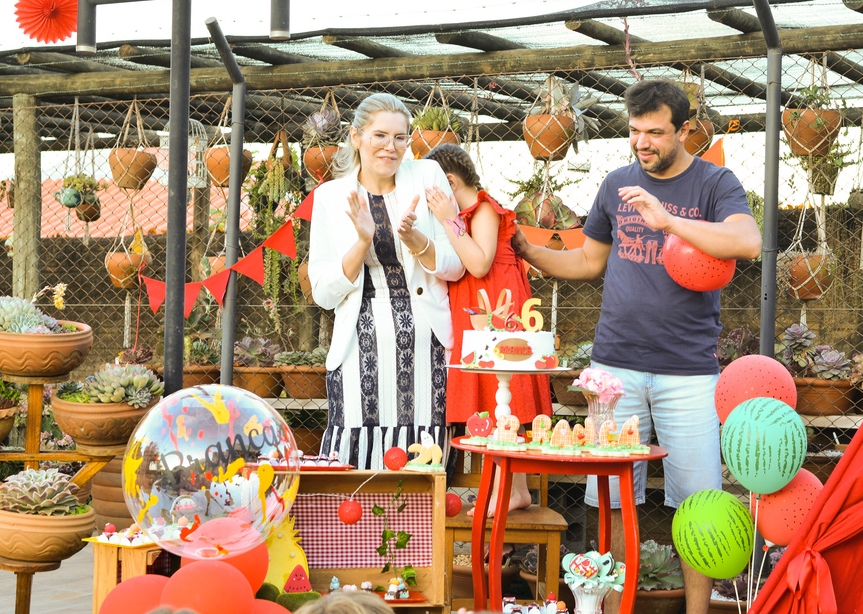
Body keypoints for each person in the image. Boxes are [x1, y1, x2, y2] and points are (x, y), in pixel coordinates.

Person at [511, 79, 760, 614]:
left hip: (688, 371)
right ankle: (611, 607)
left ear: (685, 129)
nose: (642, 142)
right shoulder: (617, 183)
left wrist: (669, 221)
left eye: (655, 132)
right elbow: (586, 263)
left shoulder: (715, 183)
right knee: (611, 499)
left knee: (699, 505)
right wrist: (524, 249)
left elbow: (747, 241)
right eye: (634, 131)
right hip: (613, 368)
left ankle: (697, 610)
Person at [307, 93, 464, 470]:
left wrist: (417, 241)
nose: (390, 147)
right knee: (359, 455)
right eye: (380, 136)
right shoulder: (329, 198)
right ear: (355, 137)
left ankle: (425, 529)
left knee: (426, 454)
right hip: (360, 345)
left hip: (428, 343)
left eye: (399, 137)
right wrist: (362, 243)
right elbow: (324, 291)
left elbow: (457, 262)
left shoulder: (427, 176)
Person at [423, 142, 552, 512]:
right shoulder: (462, 214)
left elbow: (479, 264)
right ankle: (511, 489)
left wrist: (449, 218)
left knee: (505, 394)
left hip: (497, 309)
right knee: (489, 403)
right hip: (476, 313)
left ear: (448, 180)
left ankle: (511, 488)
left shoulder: (483, 208)